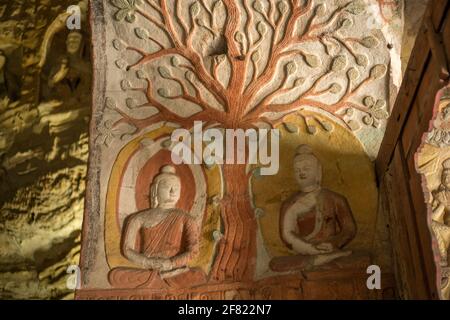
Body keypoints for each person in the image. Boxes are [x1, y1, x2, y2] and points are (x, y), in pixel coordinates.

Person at [108, 165, 206, 289]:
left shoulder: (186, 218)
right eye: (166, 186)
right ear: (154, 190)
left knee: (198, 275)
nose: (172, 191)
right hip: (146, 268)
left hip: (173, 270)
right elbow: (127, 249)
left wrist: (171, 263)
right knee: (117, 276)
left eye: (176, 187)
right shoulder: (138, 218)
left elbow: (193, 251)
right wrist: (148, 262)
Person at [270, 145, 357, 272]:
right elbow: (287, 237)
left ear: (318, 171)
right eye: (297, 170)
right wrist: (309, 248)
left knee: (362, 259)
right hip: (305, 251)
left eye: (306, 168)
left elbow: (349, 229)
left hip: (330, 248)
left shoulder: (335, 198)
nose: (302, 172)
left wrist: (334, 243)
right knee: (275, 264)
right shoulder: (289, 204)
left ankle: (326, 257)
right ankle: (322, 258)